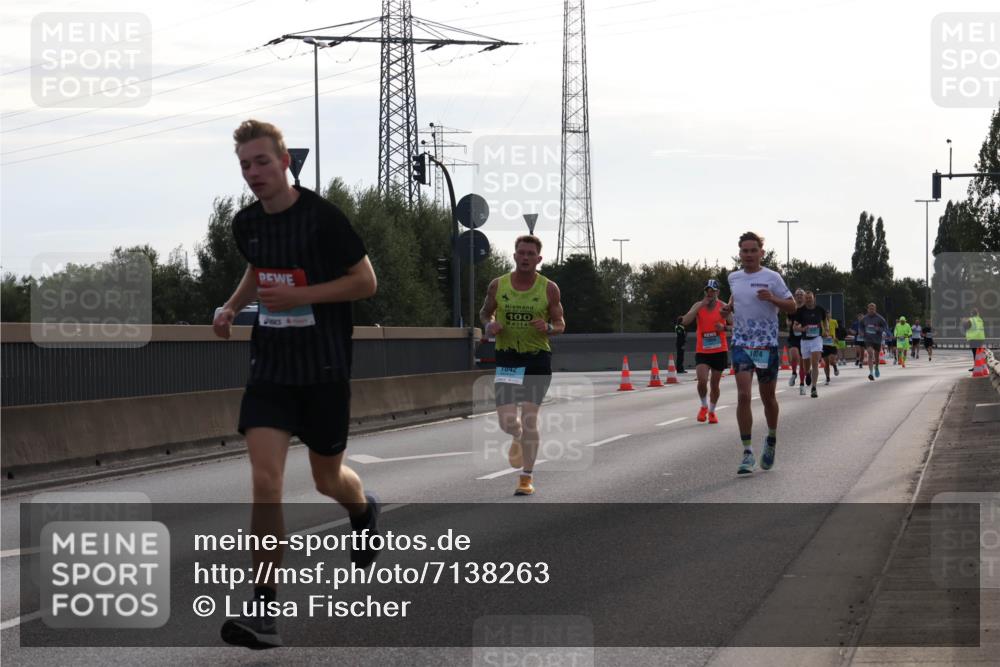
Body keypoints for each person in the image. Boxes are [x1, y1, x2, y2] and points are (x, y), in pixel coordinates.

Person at [214, 119, 380, 650]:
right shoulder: (246, 224)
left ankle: (362, 510)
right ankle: (264, 609)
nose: (254, 173)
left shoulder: (324, 219)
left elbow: (366, 282)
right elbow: (258, 268)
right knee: (266, 481)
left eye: (262, 162)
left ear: (286, 162)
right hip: (272, 369)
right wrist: (233, 306)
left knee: (328, 480)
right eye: (245, 166)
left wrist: (306, 298)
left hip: (325, 368)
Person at [480, 235, 566, 496]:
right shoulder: (498, 285)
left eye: (531, 254)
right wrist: (489, 325)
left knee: (530, 418)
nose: (526, 257)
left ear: (539, 259)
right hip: (508, 357)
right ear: (514, 256)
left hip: (537, 358)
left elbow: (561, 324)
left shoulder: (549, 288)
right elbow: (485, 312)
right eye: (521, 253)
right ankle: (516, 436)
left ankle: (526, 477)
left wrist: (549, 328)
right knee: (507, 421)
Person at [721, 232, 796, 475]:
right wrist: (729, 308)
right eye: (745, 251)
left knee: (768, 398)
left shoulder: (772, 277)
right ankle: (747, 452)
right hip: (742, 343)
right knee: (743, 396)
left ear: (761, 253)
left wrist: (772, 298)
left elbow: (793, 305)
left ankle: (771, 440)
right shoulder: (733, 277)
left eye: (754, 251)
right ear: (739, 253)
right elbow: (737, 297)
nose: (749, 255)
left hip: (766, 345)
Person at [681, 279, 732, 424]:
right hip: (703, 351)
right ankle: (703, 406)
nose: (710, 293)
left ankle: (712, 411)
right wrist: (700, 306)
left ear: (717, 292)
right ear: (705, 292)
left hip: (719, 350)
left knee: (715, 384)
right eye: (708, 290)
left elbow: (736, 327)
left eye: (713, 291)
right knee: (702, 380)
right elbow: (685, 321)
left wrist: (724, 328)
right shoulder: (698, 306)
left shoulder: (723, 307)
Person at [793, 291, 828, 398]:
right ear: (804, 299)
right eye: (806, 298)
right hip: (805, 340)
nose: (808, 300)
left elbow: (825, 320)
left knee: (815, 362)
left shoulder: (820, 309)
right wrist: (802, 328)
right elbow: (794, 327)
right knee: (806, 365)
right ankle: (808, 373)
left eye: (810, 298)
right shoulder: (800, 311)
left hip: (816, 339)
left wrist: (826, 330)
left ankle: (814, 388)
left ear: (814, 298)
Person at [860, 303, 890, 381]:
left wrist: (879, 329)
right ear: (868, 309)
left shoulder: (880, 318)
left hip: (877, 339)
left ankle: (876, 367)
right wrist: (861, 332)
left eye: (873, 309)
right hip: (868, 339)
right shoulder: (864, 318)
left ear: (875, 309)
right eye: (870, 308)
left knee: (876, 357)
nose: (871, 310)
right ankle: (871, 373)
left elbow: (885, 327)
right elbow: (860, 326)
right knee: (870, 353)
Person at [785, 289, 805, 388]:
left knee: (802, 362)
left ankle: (803, 381)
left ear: (804, 296)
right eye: (797, 295)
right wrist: (788, 323)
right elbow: (788, 319)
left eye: (801, 295)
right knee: (794, 356)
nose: (799, 296)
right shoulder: (792, 308)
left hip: (805, 338)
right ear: (795, 296)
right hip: (793, 337)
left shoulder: (807, 309)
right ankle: (793, 373)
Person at [822, 312, 840, 384]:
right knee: (826, 363)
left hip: (832, 343)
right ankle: (827, 378)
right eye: (825, 314)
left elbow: (838, 330)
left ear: (830, 315)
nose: (827, 315)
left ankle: (835, 366)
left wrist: (837, 337)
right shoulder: (820, 322)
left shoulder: (834, 321)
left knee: (831, 361)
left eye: (828, 314)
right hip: (824, 344)